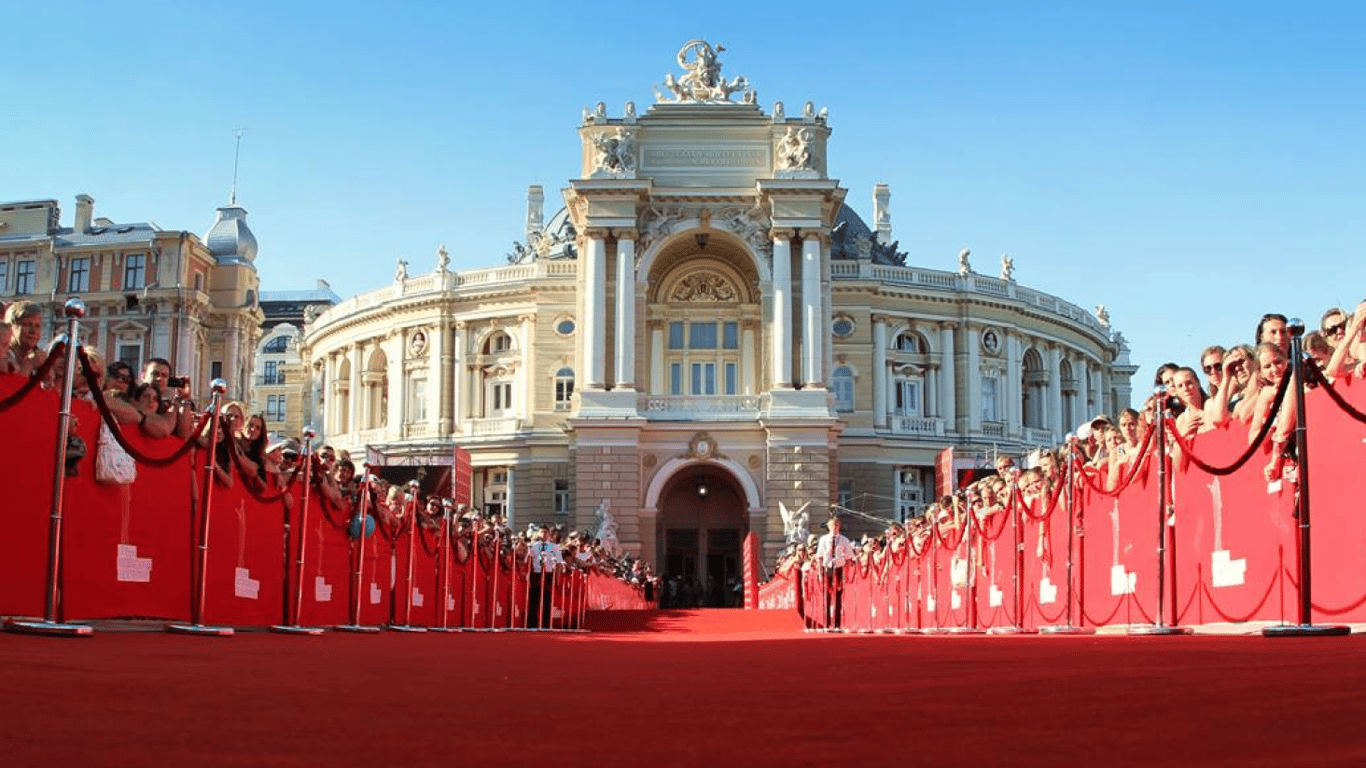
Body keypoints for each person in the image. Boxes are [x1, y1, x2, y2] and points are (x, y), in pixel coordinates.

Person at [815, 514, 856, 631]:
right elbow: (819, 556)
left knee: (838, 595)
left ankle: (837, 623)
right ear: (828, 527)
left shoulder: (844, 540)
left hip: (839, 568)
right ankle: (826, 622)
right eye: (832, 525)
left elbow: (849, 557)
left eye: (837, 525)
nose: (835, 527)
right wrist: (819, 570)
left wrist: (847, 570)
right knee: (827, 595)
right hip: (827, 568)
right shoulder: (823, 539)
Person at [526, 524, 563, 629]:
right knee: (534, 598)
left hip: (548, 573)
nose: (543, 534)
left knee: (547, 599)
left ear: (549, 534)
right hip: (536, 574)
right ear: (538, 533)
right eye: (541, 532)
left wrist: (557, 578)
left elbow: (559, 563)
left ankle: (545, 624)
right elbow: (529, 560)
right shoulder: (534, 546)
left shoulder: (554, 547)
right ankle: (532, 624)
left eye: (545, 532)